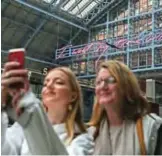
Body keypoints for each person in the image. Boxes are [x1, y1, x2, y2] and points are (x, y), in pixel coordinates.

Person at [1, 61, 94, 155]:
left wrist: (32, 113)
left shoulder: (83, 140)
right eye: (45, 84)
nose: (49, 85)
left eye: (59, 82)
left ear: (73, 96)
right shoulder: (22, 126)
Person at [87, 60, 162, 155]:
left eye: (110, 80)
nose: (103, 86)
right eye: (98, 82)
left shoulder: (152, 128)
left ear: (127, 86)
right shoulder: (90, 135)